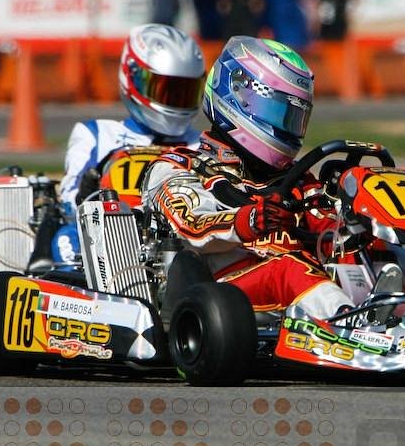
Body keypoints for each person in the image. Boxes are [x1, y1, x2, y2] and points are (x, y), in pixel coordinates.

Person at [142, 35, 371, 321]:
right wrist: (250, 220)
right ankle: (353, 326)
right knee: (290, 268)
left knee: (367, 250)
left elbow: (328, 231)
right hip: (223, 296)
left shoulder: (296, 178)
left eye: (294, 117)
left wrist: (356, 225)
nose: (287, 126)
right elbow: (192, 225)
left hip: (302, 285)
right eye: (279, 112)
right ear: (238, 95)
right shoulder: (180, 166)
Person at [29, 24, 206, 270]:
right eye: (165, 91)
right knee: (66, 238)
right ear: (133, 77)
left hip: (180, 239)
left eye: (184, 93)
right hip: (108, 234)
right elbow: (69, 201)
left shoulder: (200, 144)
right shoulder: (98, 134)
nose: (175, 102)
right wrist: (86, 194)